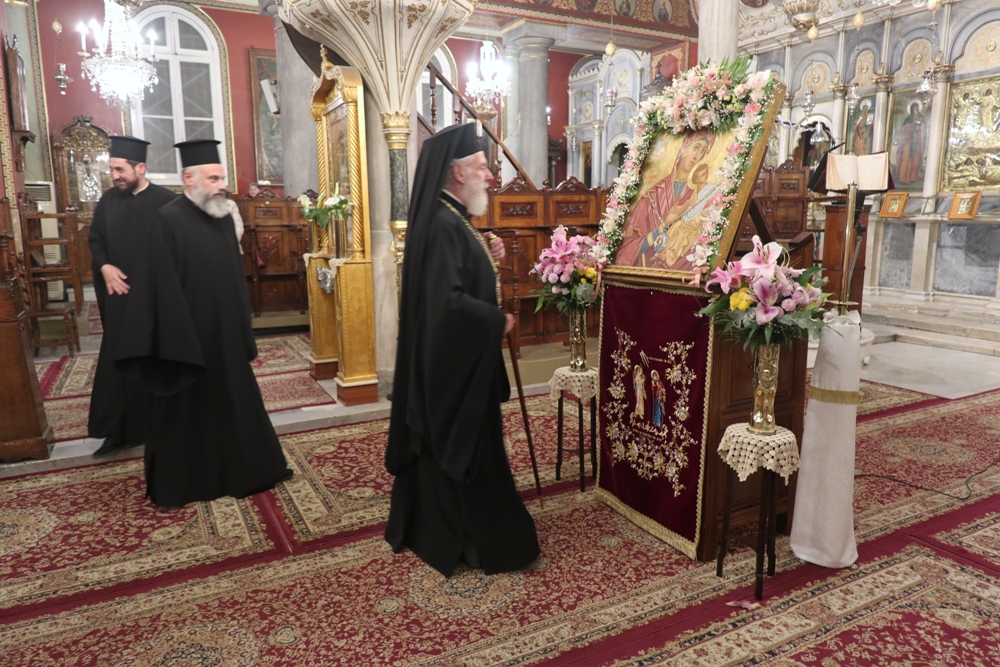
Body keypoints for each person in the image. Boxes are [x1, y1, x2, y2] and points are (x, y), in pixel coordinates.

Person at [384, 122, 539, 578]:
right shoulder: (441, 223)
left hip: (460, 365)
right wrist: (496, 320)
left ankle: (447, 529)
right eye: (483, 167)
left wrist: (487, 254)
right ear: (458, 172)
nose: (490, 176)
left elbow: (458, 274)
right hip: (452, 371)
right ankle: (468, 539)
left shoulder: (451, 217)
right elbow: (447, 301)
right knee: (462, 453)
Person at [115, 139, 292, 508]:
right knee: (188, 414)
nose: (221, 186)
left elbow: (234, 279)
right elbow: (160, 288)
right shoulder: (167, 220)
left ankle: (246, 472)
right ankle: (189, 483)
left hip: (225, 336)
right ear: (188, 179)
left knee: (235, 407)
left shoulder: (223, 217)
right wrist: (181, 340)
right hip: (188, 341)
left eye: (222, 178)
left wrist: (241, 331)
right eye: (213, 179)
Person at [87, 136, 177, 458]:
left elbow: (180, 250)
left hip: (156, 299)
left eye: (120, 170)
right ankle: (119, 431)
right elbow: (96, 240)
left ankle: (163, 425)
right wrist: (105, 266)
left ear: (141, 168)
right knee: (120, 360)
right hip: (121, 297)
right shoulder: (108, 201)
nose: (114, 176)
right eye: (112, 170)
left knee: (156, 359)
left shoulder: (168, 202)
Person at [616, 131, 715, 268]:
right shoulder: (652, 195)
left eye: (703, 151)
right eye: (696, 148)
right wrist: (665, 225)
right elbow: (626, 250)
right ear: (683, 149)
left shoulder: (697, 197)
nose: (697, 155)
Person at [893, 101, 926, 185]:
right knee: (905, 158)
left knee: (915, 159)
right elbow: (904, 130)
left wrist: (920, 125)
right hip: (907, 141)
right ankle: (903, 177)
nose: (916, 110)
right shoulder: (908, 119)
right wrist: (911, 125)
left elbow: (923, 129)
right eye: (914, 109)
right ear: (911, 110)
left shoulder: (921, 118)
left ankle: (912, 177)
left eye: (917, 109)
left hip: (917, 141)